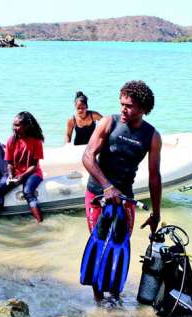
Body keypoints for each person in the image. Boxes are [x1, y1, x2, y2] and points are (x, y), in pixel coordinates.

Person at [82, 80, 162, 300]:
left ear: (143, 109)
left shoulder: (152, 136)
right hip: (98, 194)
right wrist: (107, 187)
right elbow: (87, 157)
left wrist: (156, 214)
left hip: (125, 197)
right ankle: (98, 299)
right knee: (99, 245)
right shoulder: (109, 122)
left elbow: (155, 177)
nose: (123, 109)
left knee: (119, 244)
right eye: (122, 104)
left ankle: (115, 297)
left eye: (129, 106)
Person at [0, 111, 44, 222]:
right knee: (0, 189)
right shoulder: (11, 140)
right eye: (14, 125)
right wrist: (10, 175)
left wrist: (23, 176)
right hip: (15, 173)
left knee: (28, 191)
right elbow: (9, 162)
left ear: (26, 126)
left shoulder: (36, 141)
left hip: (33, 173)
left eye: (18, 125)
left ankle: (40, 222)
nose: (15, 128)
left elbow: (34, 165)